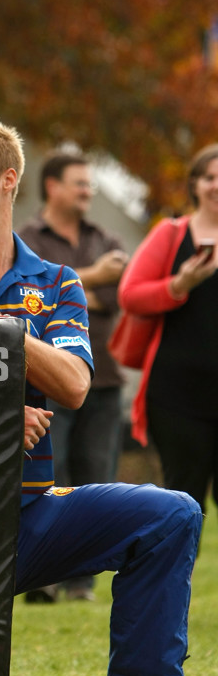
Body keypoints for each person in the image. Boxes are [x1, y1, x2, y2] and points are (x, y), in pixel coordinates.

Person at [0, 114, 204, 676]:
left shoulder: (57, 283)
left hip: (27, 512)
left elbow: (74, 384)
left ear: (9, 179)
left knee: (171, 515)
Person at [18, 151, 128, 602]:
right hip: (45, 383)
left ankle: (82, 581)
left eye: (90, 185)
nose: (87, 192)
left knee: (96, 478)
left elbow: (118, 296)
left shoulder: (106, 238)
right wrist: (91, 281)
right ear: (52, 187)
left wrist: (62, 292)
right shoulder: (24, 240)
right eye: (79, 183)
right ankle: (40, 582)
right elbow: (23, 292)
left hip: (103, 378)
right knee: (48, 479)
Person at [118, 143, 218, 519]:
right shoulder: (171, 234)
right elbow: (130, 294)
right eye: (209, 177)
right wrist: (179, 284)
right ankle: (177, 579)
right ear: (195, 184)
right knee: (184, 504)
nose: (216, 185)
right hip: (178, 396)